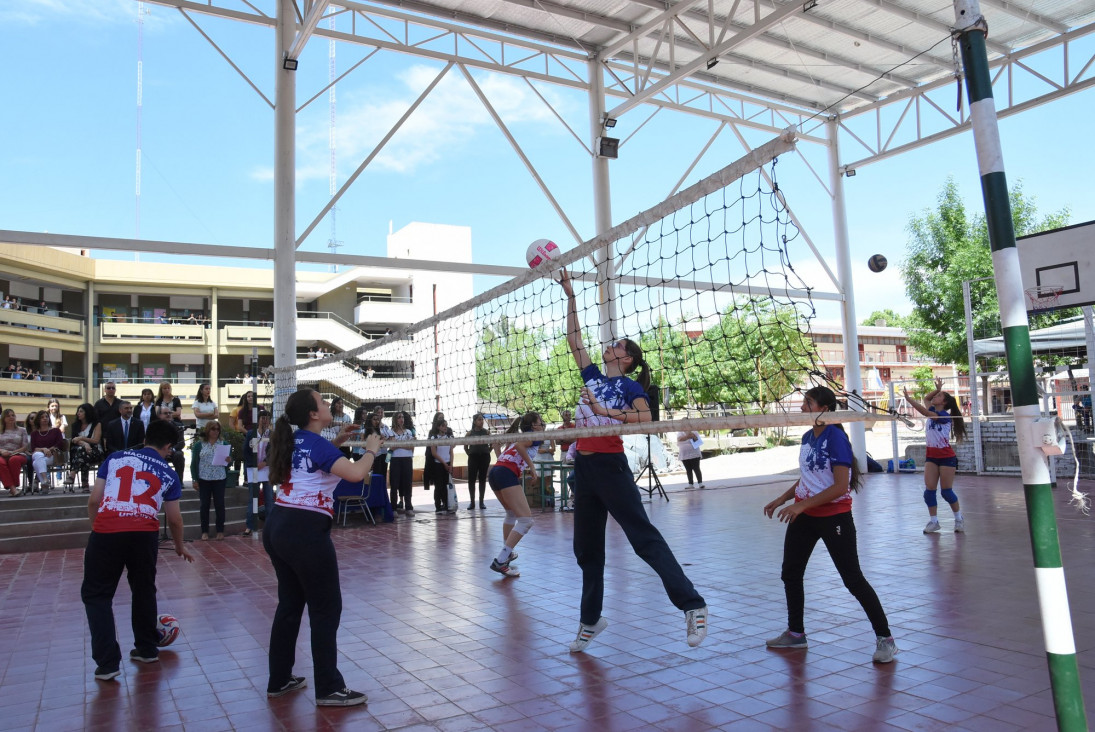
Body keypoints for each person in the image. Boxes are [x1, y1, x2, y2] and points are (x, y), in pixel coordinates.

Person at [557, 269, 707, 652]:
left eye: (618, 344)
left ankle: (693, 605)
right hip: (584, 470)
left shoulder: (629, 386)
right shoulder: (592, 375)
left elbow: (646, 420)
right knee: (586, 551)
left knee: (643, 540)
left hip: (610, 467)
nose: (611, 344)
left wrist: (605, 409)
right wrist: (571, 294)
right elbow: (573, 339)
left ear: (627, 359)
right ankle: (591, 620)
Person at [762, 385, 898, 664]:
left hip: (833, 517)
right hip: (806, 516)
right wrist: (782, 498)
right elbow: (808, 477)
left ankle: (886, 639)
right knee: (791, 573)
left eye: (807, 403)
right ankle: (796, 634)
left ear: (823, 408)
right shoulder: (807, 436)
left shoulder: (835, 437)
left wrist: (799, 505)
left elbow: (839, 486)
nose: (802, 408)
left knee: (853, 579)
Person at [263, 388, 381, 706]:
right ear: (314, 414)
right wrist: (371, 450)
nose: (328, 404)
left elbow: (314, 464)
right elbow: (356, 474)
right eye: (322, 402)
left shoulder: (299, 439)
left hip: (278, 525)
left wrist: (340, 441)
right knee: (326, 608)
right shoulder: (314, 443)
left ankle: (279, 679)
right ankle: (329, 688)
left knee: (290, 605)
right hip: (304, 531)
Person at [81, 419, 195, 681]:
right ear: (167, 446)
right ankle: (146, 648)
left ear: (145, 439)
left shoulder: (115, 458)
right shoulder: (168, 473)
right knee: (144, 589)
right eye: (170, 450)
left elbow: (94, 500)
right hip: (144, 533)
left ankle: (108, 663)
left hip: (107, 530)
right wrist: (179, 547)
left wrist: (96, 530)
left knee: (97, 595)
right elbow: (175, 519)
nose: (169, 454)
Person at [903, 378, 968, 534]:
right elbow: (926, 399)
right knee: (929, 491)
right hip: (931, 456)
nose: (934, 397)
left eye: (939, 396)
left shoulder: (944, 416)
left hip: (946, 457)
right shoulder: (933, 408)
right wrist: (937, 388)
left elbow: (925, 411)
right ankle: (934, 522)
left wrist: (909, 399)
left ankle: (958, 519)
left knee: (946, 491)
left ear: (944, 402)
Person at [485, 412, 544, 577]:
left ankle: (507, 552)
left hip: (496, 471)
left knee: (511, 513)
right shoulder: (534, 436)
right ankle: (501, 560)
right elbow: (519, 446)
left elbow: (499, 446)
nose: (542, 423)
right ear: (533, 425)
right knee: (526, 520)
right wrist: (532, 468)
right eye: (540, 421)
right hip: (505, 473)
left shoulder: (525, 435)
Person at [191, 422, 229, 540]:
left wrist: (229, 460)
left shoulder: (224, 444)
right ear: (208, 430)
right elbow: (194, 463)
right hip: (204, 479)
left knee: (220, 505)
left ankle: (220, 530)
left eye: (217, 429)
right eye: (213, 429)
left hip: (219, 478)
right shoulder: (199, 445)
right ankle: (204, 531)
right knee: (204, 505)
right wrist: (195, 479)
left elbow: (227, 463)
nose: (215, 431)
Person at [243, 409, 273, 537]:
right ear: (259, 419)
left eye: (267, 418)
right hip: (253, 469)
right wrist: (254, 463)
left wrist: (265, 463)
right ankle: (250, 526)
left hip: (266, 469)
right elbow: (245, 450)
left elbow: (274, 451)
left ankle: (270, 525)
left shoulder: (271, 434)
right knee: (253, 499)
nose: (265, 420)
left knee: (269, 498)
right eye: (262, 418)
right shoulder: (251, 433)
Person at [69, 403, 104, 491]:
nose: (78, 413)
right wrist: (85, 444)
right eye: (78, 411)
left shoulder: (97, 424)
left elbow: (96, 440)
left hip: (96, 451)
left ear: (87, 413)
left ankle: (73, 474)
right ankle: (85, 484)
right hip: (82, 452)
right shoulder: (75, 425)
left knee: (82, 453)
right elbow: (74, 440)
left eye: (81, 411)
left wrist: (81, 438)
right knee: (83, 453)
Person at [154, 382, 186, 478]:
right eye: (164, 388)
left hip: (174, 448)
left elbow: (181, 442)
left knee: (179, 455)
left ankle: (179, 481)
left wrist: (172, 449)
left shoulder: (178, 427)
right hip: (160, 449)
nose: (166, 390)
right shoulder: (155, 427)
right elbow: (157, 413)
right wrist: (163, 449)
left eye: (168, 388)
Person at [29, 410, 65, 493]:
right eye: (42, 417)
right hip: (39, 454)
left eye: (46, 417)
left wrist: (49, 450)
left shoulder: (56, 431)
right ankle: (45, 480)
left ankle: (44, 483)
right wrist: (43, 449)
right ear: (38, 420)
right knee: (38, 455)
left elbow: (59, 444)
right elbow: (33, 448)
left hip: (52, 455)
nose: (45, 418)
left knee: (35, 463)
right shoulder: (34, 434)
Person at [387, 411, 415, 515]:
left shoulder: (408, 431)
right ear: (395, 419)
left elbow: (411, 447)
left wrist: (398, 444)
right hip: (396, 460)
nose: (401, 419)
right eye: (399, 417)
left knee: (408, 484)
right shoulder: (391, 432)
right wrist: (404, 444)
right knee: (394, 484)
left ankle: (409, 507)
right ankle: (393, 508)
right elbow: (392, 447)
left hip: (407, 459)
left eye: (402, 417)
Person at [464, 413, 492, 510]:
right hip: (473, 457)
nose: (481, 421)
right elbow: (465, 446)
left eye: (482, 419)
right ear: (475, 421)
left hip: (484, 457)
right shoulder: (469, 433)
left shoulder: (487, 432)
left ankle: (481, 502)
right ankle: (472, 502)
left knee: (482, 479)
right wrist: (470, 453)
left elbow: (492, 443)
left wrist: (488, 451)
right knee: (471, 480)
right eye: (479, 419)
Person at [428, 418, 455, 513]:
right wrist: (444, 463)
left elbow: (451, 452)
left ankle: (447, 505)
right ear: (438, 427)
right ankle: (438, 507)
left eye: (446, 425)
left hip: (448, 464)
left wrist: (451, 465)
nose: (445, 427)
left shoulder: (449, 438)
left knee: (447, 486)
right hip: (438, 465)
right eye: (443, 426)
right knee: (439, 486)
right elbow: (434, 453)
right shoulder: (434, 438)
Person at [0, 408, 29, 496]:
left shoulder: (22, 430)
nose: (11, 417)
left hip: (18, 454)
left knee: (14, 460)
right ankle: (13, 488)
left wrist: (12, 453)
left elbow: (24, 447)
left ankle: (13, 486)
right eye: (8, 416)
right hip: (2, 454)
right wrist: (2, 451)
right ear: (4, 419)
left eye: (13, 415)